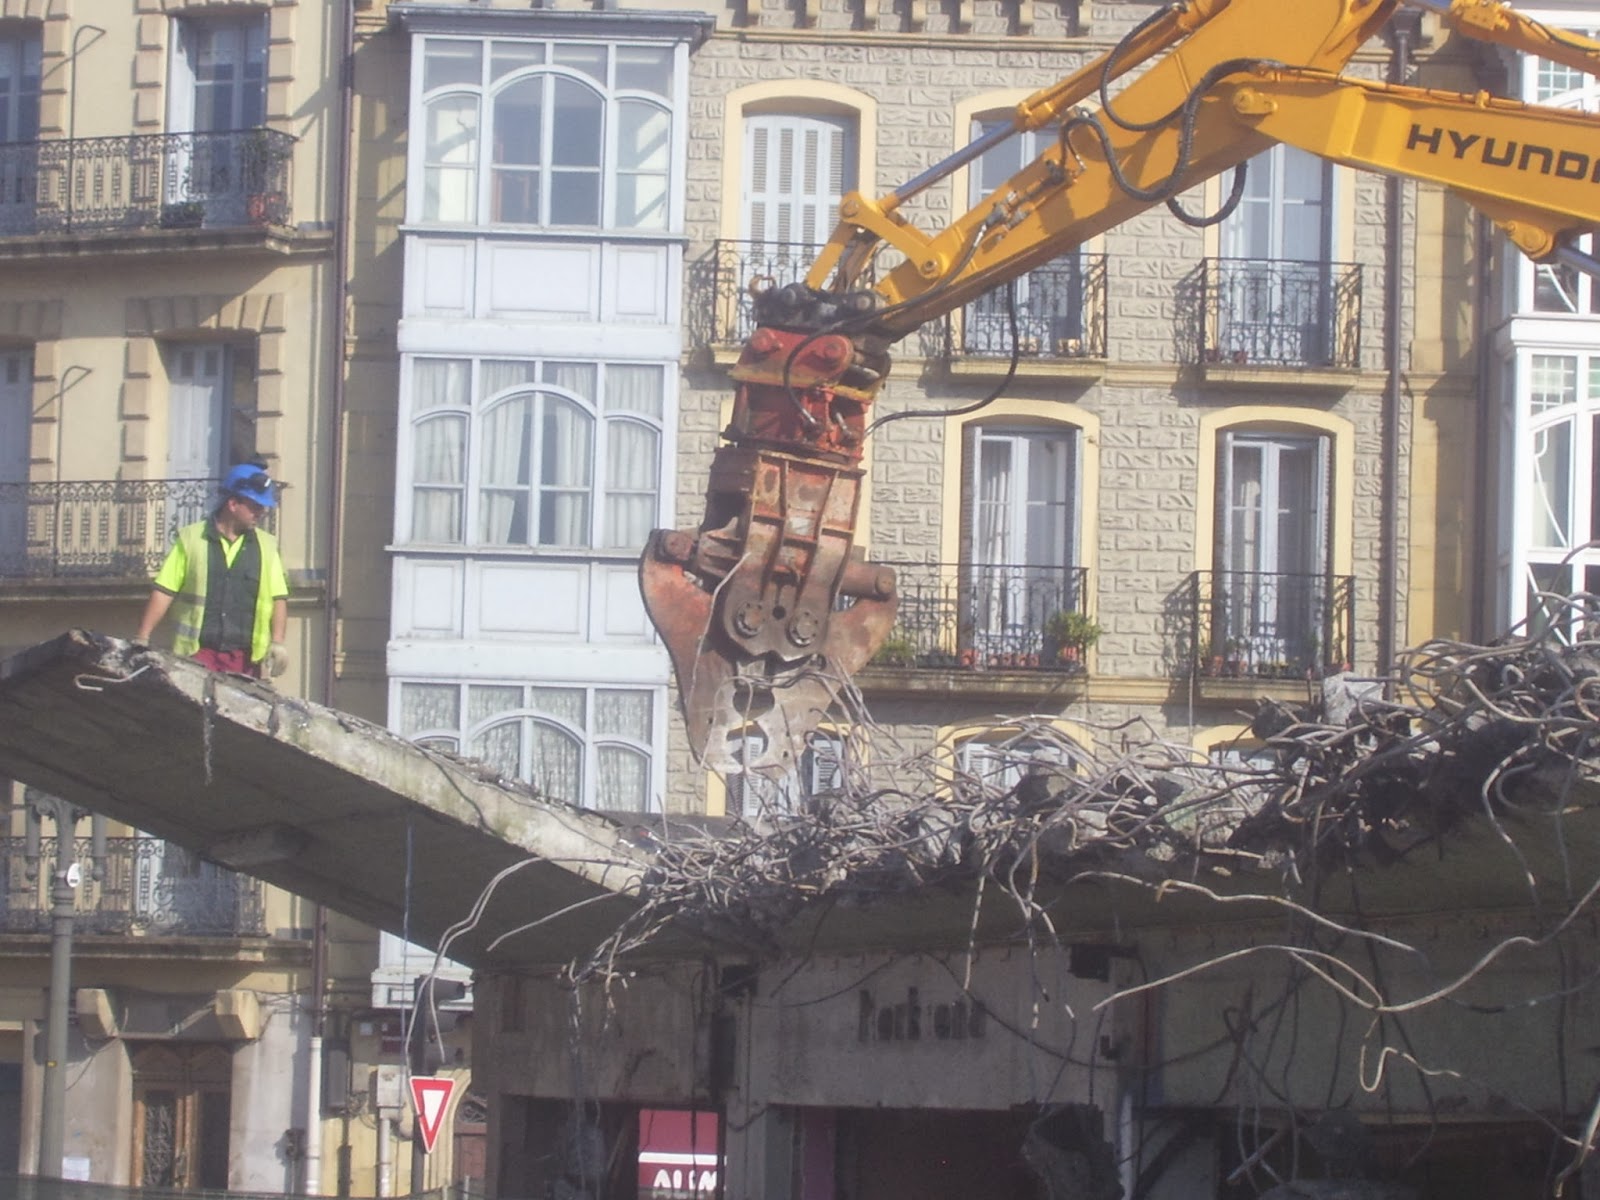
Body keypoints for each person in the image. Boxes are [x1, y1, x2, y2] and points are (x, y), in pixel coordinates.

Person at [135, 463, 290, 678]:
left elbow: (278, 598)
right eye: (255, 506)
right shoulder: (191, 540)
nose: (261, 512)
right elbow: (164, 590)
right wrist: (142, 637)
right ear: (233, 504)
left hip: (244, 660)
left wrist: (278, 642)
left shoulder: (267, 547)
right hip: (196, 655)